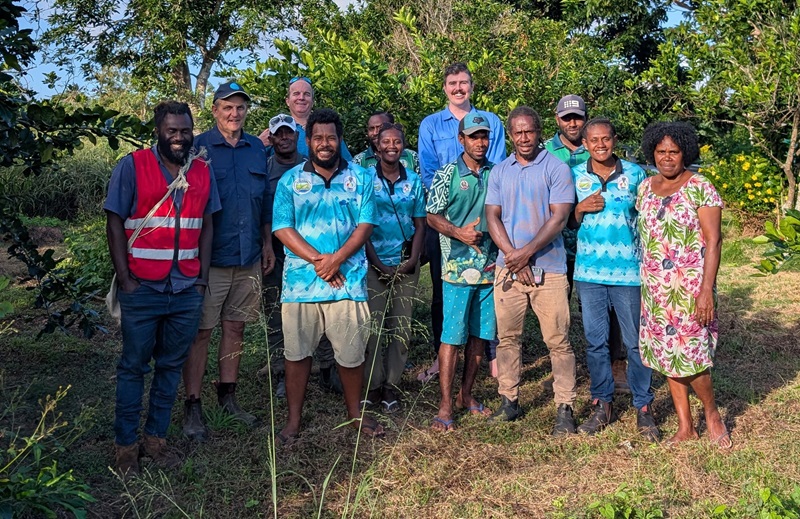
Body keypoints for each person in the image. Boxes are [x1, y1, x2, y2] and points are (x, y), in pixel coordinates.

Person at [105, 101, 220, 476]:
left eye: (185, 130)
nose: (179, 137)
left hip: (185, 288)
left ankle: (155, 440)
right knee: (133, 367)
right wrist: (125, 279)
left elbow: (206, 226)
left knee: (170, 366)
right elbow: (115, 220)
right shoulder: (133, 165)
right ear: (158, 130)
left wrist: (201, 279)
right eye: (172, 130)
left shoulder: (202, 170)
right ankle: (125, 447)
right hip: (142, 288)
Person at [272, 108, 383, 442]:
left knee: (351, 356)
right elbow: (281, 227)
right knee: (297, 356)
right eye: (318, 137)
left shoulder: (361, 177)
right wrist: (322, 261)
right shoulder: (290, 180)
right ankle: (293, 421)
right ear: (308, 141)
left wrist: (338, 260)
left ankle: (355, 414)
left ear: (340, 140)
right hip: (300, 286)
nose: (324, 143)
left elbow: (365, 225)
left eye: (331, 137)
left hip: (347, 284)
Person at [181, 81, 275, 442]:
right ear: (215, 110)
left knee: (236, 328)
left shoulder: (255, 148)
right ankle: (193, 404)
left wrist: (266, 244)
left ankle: (228, 396)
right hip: (210, 259)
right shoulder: (200, 148)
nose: (234, 114)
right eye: (227, 107)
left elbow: (263, 201)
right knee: (201, 332)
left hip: (248, 254)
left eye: (240, 108)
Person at [484, 106, 578, 435]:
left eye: (530, 131)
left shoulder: (556, 167)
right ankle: (509, 400)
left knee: (558, 340)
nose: (524, 138)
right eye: (517, 132)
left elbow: (559, 218)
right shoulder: (499, 171)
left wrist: (526, 253)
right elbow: (492, 216)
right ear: (510, 136)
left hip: (549, 268)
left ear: (539, 132)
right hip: (508, 268)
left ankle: (565, 406)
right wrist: (513, 255)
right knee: (508, 339)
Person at [637, 122, 729, 448]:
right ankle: (685, 425)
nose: (667, 158)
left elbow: (714, 242)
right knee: (666, 356)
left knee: (692, 356)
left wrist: (706, 290)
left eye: (673, 152)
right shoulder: (646, 188)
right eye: (661, 151)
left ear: (685, 153)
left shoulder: (700, 187)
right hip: (655, 290)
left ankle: (712, 413)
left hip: (690, 289)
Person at [417, 62, 507, 383]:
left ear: (471, 86)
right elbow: (429, 173)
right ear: (445, 88)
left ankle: (490, 355)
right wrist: (455, 209)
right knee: (444, 291)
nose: (458, 88)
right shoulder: (430, 125)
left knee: (488, 291)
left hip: (487, 223)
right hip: (446, 217)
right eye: (452, 83)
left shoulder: (491, 121)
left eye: (464, 82)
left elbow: (497, 171)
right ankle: (442, 359)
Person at [570, 117, 658, 440]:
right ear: (585, 143)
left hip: (628, 273)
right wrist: (580, 208)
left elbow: (649, 218)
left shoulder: (636, 175)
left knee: (635, 341)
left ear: (615, 139)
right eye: (593, 140)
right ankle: (602, 402)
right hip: (589, 272)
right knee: (596, 342)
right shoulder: (576, 175)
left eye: (606, 139)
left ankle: (643, 406)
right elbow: (566, 219)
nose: (600, 145)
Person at [545, 94, 628, 394]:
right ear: (557, 120)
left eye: (577, 117)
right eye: (566, 118)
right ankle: (564, 368)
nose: (572, 123)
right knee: (558, 311)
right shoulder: (545, 153)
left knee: (610, 312)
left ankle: (617, 366)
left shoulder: (598, 147)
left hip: (595, 249)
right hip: (555, 246)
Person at [426, 113, 498, 432]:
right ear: (461, 140)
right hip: (456, 268)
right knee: (452, 337)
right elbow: (432, 216)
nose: (480, 142)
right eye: (473, 136)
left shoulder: (497, 174)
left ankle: (466, 395)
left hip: (490, 268)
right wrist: (459, 233)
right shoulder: (447, 174)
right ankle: (444, 406)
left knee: (480, 337)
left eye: (484, 136)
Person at [362, 122, 426, 413]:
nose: (391, 146)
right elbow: (360, 226)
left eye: (397, 142)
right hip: (372, 263)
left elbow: (420, 223)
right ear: (376, 146)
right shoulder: (364, 180)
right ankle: (372, 386)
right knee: (373, 329)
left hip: (405, 264)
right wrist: (375, 262)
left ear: (403, 146)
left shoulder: (413, 180)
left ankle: (392, 386)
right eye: (385, 141)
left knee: (401, 328)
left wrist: (413, 260)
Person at [257, 113, 305, 398]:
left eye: (289, 133)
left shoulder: (309, 167)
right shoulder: (263, 170)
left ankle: (323, 366)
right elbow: (262, 211)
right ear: (271, 138)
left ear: (297, 136)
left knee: (312, 311)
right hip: (274, 252)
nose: (285, 138)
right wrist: (265, 246)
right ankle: (280, 370)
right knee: (275, 311)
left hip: (308, 254)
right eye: (279, 134)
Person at [259, 77, 353, 161]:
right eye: (296, 94)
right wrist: (257, 143)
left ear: (312, 101)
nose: (301, 98)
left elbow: (349, 165)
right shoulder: (274, 131)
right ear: (287, 101)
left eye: (307, 94)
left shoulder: (328, 129)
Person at [352, 111, 420, 174]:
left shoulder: (412, 157)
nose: (375, 132)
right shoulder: (359, 161)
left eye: (380, 127)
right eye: (371, 128)